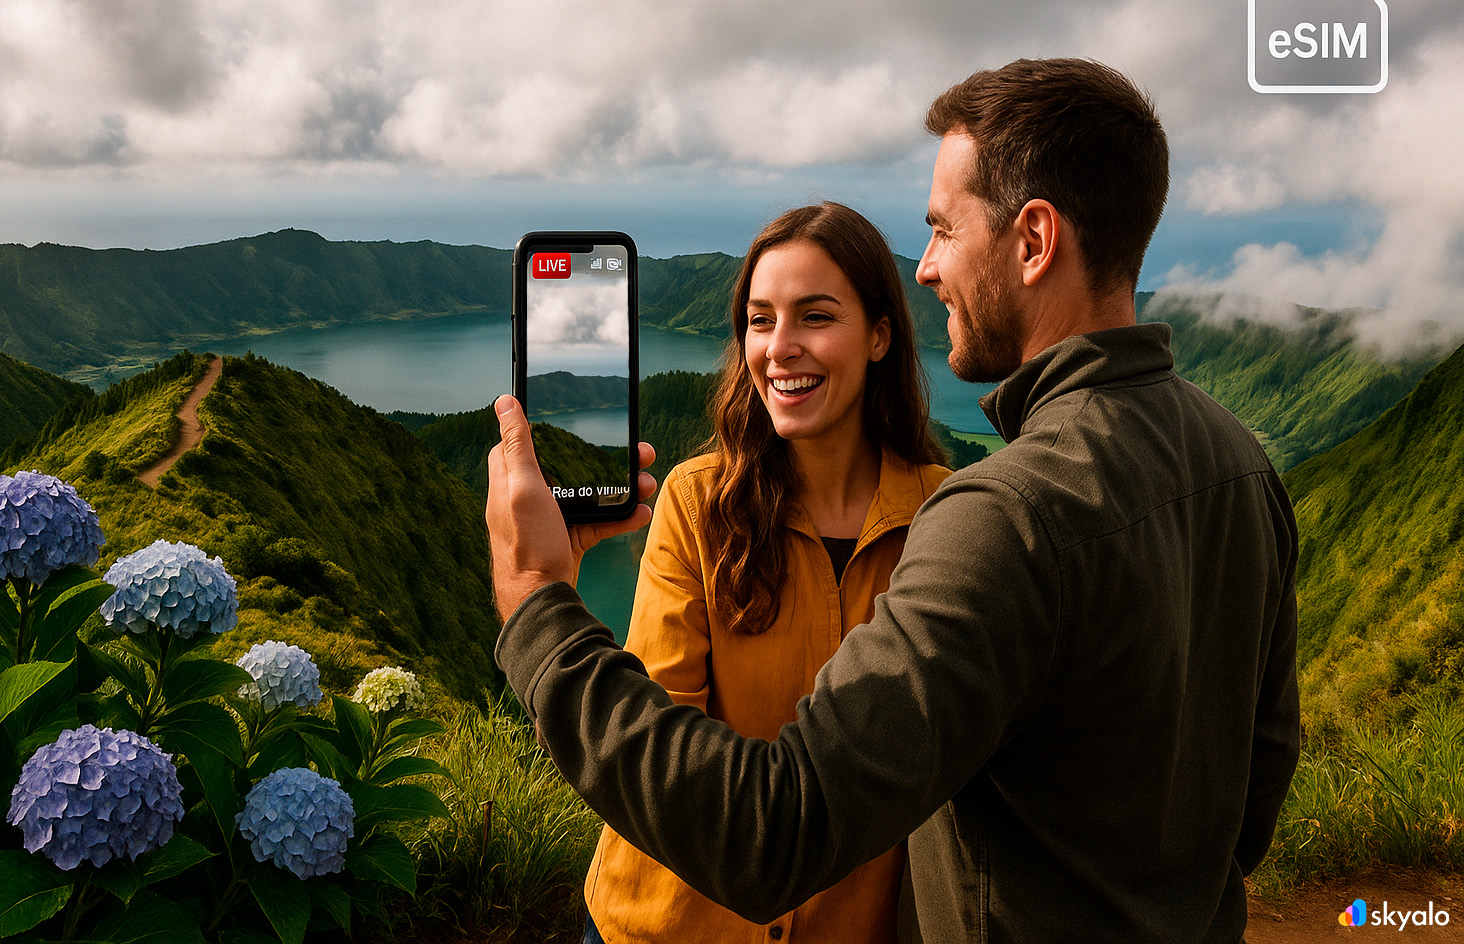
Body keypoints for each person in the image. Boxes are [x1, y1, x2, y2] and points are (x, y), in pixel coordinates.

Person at [486, 58, 1301, 943]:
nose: (929, 268)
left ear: (1034, 241)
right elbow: (1255, 784)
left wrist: (536, 603)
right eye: (759, 318)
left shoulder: (1003, 517)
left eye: (945, 229)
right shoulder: (1241, 463)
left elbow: (776, 830)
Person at [581, 202, 953, 944]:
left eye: (815, 317)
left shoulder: (947, 519)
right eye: (760, 321)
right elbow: (659, 741)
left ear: (880, 335)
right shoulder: (697, 503)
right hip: (664, 925)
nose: (780, 348)